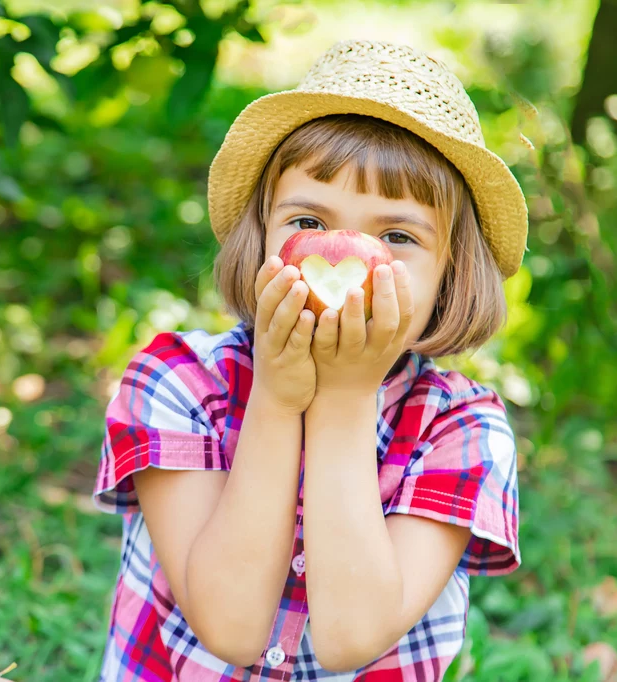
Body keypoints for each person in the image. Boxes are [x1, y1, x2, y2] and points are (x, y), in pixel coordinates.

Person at [92, 39, 524, 681]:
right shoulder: (177, 382)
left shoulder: (462, 433)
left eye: (397, 237)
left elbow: (353, 638)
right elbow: (229, 628)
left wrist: (344, 401)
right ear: (260, 233)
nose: (342, 256)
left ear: (450, 275)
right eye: (308, 223)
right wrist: (276, 398)